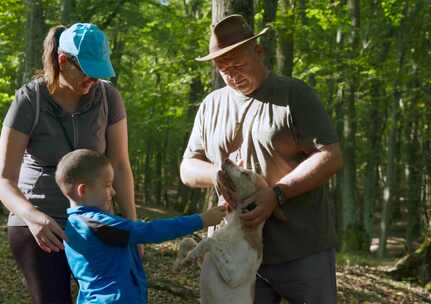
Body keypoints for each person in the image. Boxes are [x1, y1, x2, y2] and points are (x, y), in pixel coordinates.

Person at [180, 15, 343, 303]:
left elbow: (330, 156)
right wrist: (216, 170)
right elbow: (188, 167)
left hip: (301, 247)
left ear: (259, 51)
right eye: (223, 68)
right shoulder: (211, 105)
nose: (231, 75)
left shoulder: (295, 95)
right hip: (234, 251)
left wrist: (277, 194)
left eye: (238, 65)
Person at [0, 23, 137, 304]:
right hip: (39, 223)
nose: (93, 80)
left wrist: (130, 227)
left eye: (99, 73)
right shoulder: (29, 101)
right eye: (86, 71)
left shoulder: (108, 97)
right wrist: (32, 217)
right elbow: (4, 178)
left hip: (94, 222)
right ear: (62, 61)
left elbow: (120, 166)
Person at [55, 149, 227, 304]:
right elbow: (148, 231)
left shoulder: (74, 224)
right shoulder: (95, 224)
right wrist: (201, 220)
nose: (113, 192)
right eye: (107, 186)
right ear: (83, 190)